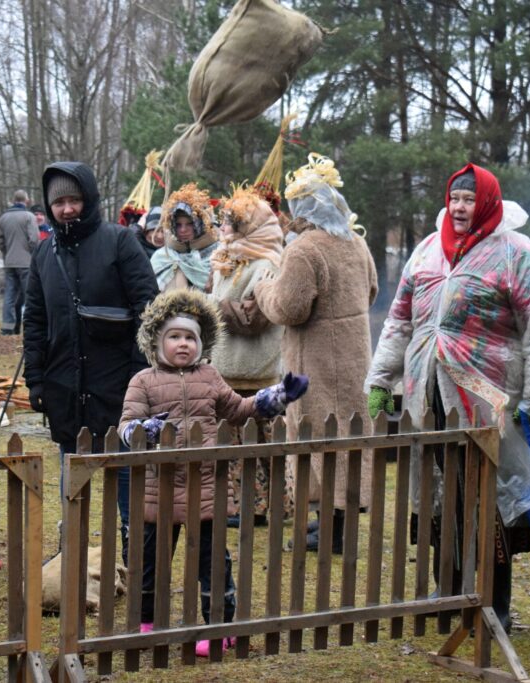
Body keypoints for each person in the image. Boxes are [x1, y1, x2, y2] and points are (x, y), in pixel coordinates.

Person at [365, 163, 530, 632]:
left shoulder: (517, 253)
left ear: (488, 202)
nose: (458, 207)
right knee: (441, 495)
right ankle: (449, 591)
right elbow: (399, 320)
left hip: (489, 400)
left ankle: (494, 601)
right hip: (428, 396)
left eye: (469, 199)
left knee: (490, 500)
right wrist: (380, 381)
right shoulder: (427, 250)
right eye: (454, 197)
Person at [119, 288, 308, 656]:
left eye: (190, 337)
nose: (183, 344)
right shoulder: (143, 381)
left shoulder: (209, 376)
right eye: (174, 336)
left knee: (213, 561)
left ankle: (218, 627)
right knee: (150, 562)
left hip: (205, 488)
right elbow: (127, 424)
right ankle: (147, 623)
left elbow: (238, 409)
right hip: (159, 490)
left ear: (201, 343)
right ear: (156, 342)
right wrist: (144, 430)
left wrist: (277, 397)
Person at [23, 161, 158, 563]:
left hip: (119, 388)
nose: (67, 209)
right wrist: (36, 379)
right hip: (65, 389)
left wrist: (139, 376)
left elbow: (149, 310)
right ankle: (73, 561)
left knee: (127, 484)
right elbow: (35, 320)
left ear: (89, 198)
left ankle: (138, 566)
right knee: (73, 487)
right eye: (58, 202)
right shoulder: (44, 254)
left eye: (74, 200)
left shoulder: (120, 242)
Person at [254, 154, 378, 554]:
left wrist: (263, 288)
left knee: (321, 437)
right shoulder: (356, 242)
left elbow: (289, 308)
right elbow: (372, 290)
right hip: (355, 357)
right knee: (347, 437)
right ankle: (333, 523)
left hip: (317, 362)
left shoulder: (304, 249)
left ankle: (331, 532)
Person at [209, 186, 286, 526]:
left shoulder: (267, 263)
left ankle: (266, 507)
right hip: (226, 368)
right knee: (234, 444)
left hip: (256, 371)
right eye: (224, 221)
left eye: (232, 222)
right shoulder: (226, 261)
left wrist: (210, 307)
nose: (224, 228)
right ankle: (240, 506)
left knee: (259, 443)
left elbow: (254, 318)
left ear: (249, 227)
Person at [149, 183, 218, 292]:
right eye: (178, 225)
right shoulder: (162, 256)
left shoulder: (218, 254)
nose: (183, 230)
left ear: (200, 225)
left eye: (189, 224)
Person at [0, 190, 39, 335]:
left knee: (9, 295)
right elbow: (34, 240)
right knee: (29, 295)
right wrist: (32, 255)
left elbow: (0, 242)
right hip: (26, 262)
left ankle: (7, 327)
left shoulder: (4, 218)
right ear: (26, 201)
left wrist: (7, 254)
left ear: (14, 200)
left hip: (9, 262)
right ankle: (31, 325)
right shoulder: (29, 216)